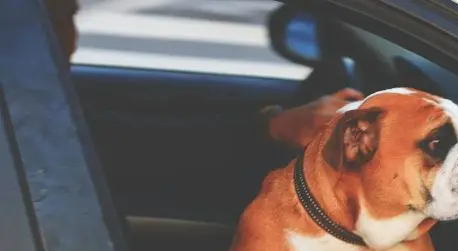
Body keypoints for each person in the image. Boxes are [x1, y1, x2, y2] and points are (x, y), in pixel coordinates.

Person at [41, 0, 365, 147]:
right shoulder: (32, 119)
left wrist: (272, 123)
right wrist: (276, 127)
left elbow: (132, 124)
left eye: (70, 17)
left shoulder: (43, 107)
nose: (69, 35)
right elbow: (136, 145)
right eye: (56, 19)